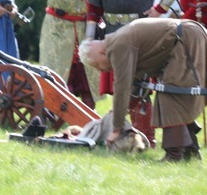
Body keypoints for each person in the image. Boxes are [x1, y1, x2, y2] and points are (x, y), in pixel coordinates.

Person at [85, 0, 186, 145]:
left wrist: (161, 8)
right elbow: (93, 5)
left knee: (140, 87)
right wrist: (89, 39)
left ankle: (146, 138)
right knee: (120, 87)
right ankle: (125, 135)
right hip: (111, 33)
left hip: (140, 31)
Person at [79, 18, 207, 162]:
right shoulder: (118, 42)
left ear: (102, 53)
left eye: (97, 65)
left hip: (186, 38)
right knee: (174, 95)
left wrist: (116, 128)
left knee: (170, 95)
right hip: (186, 37)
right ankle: (190, 153)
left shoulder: (117, 46)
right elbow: (135, 84)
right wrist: (120, 112)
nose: (101, 70)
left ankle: (175, 156)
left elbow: (122, 87)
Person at [28, 0, 100, 108]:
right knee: (55, 73)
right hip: (57, 28)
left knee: (87, 77)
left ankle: (88, 119)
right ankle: (53, 115)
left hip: (85, 28)